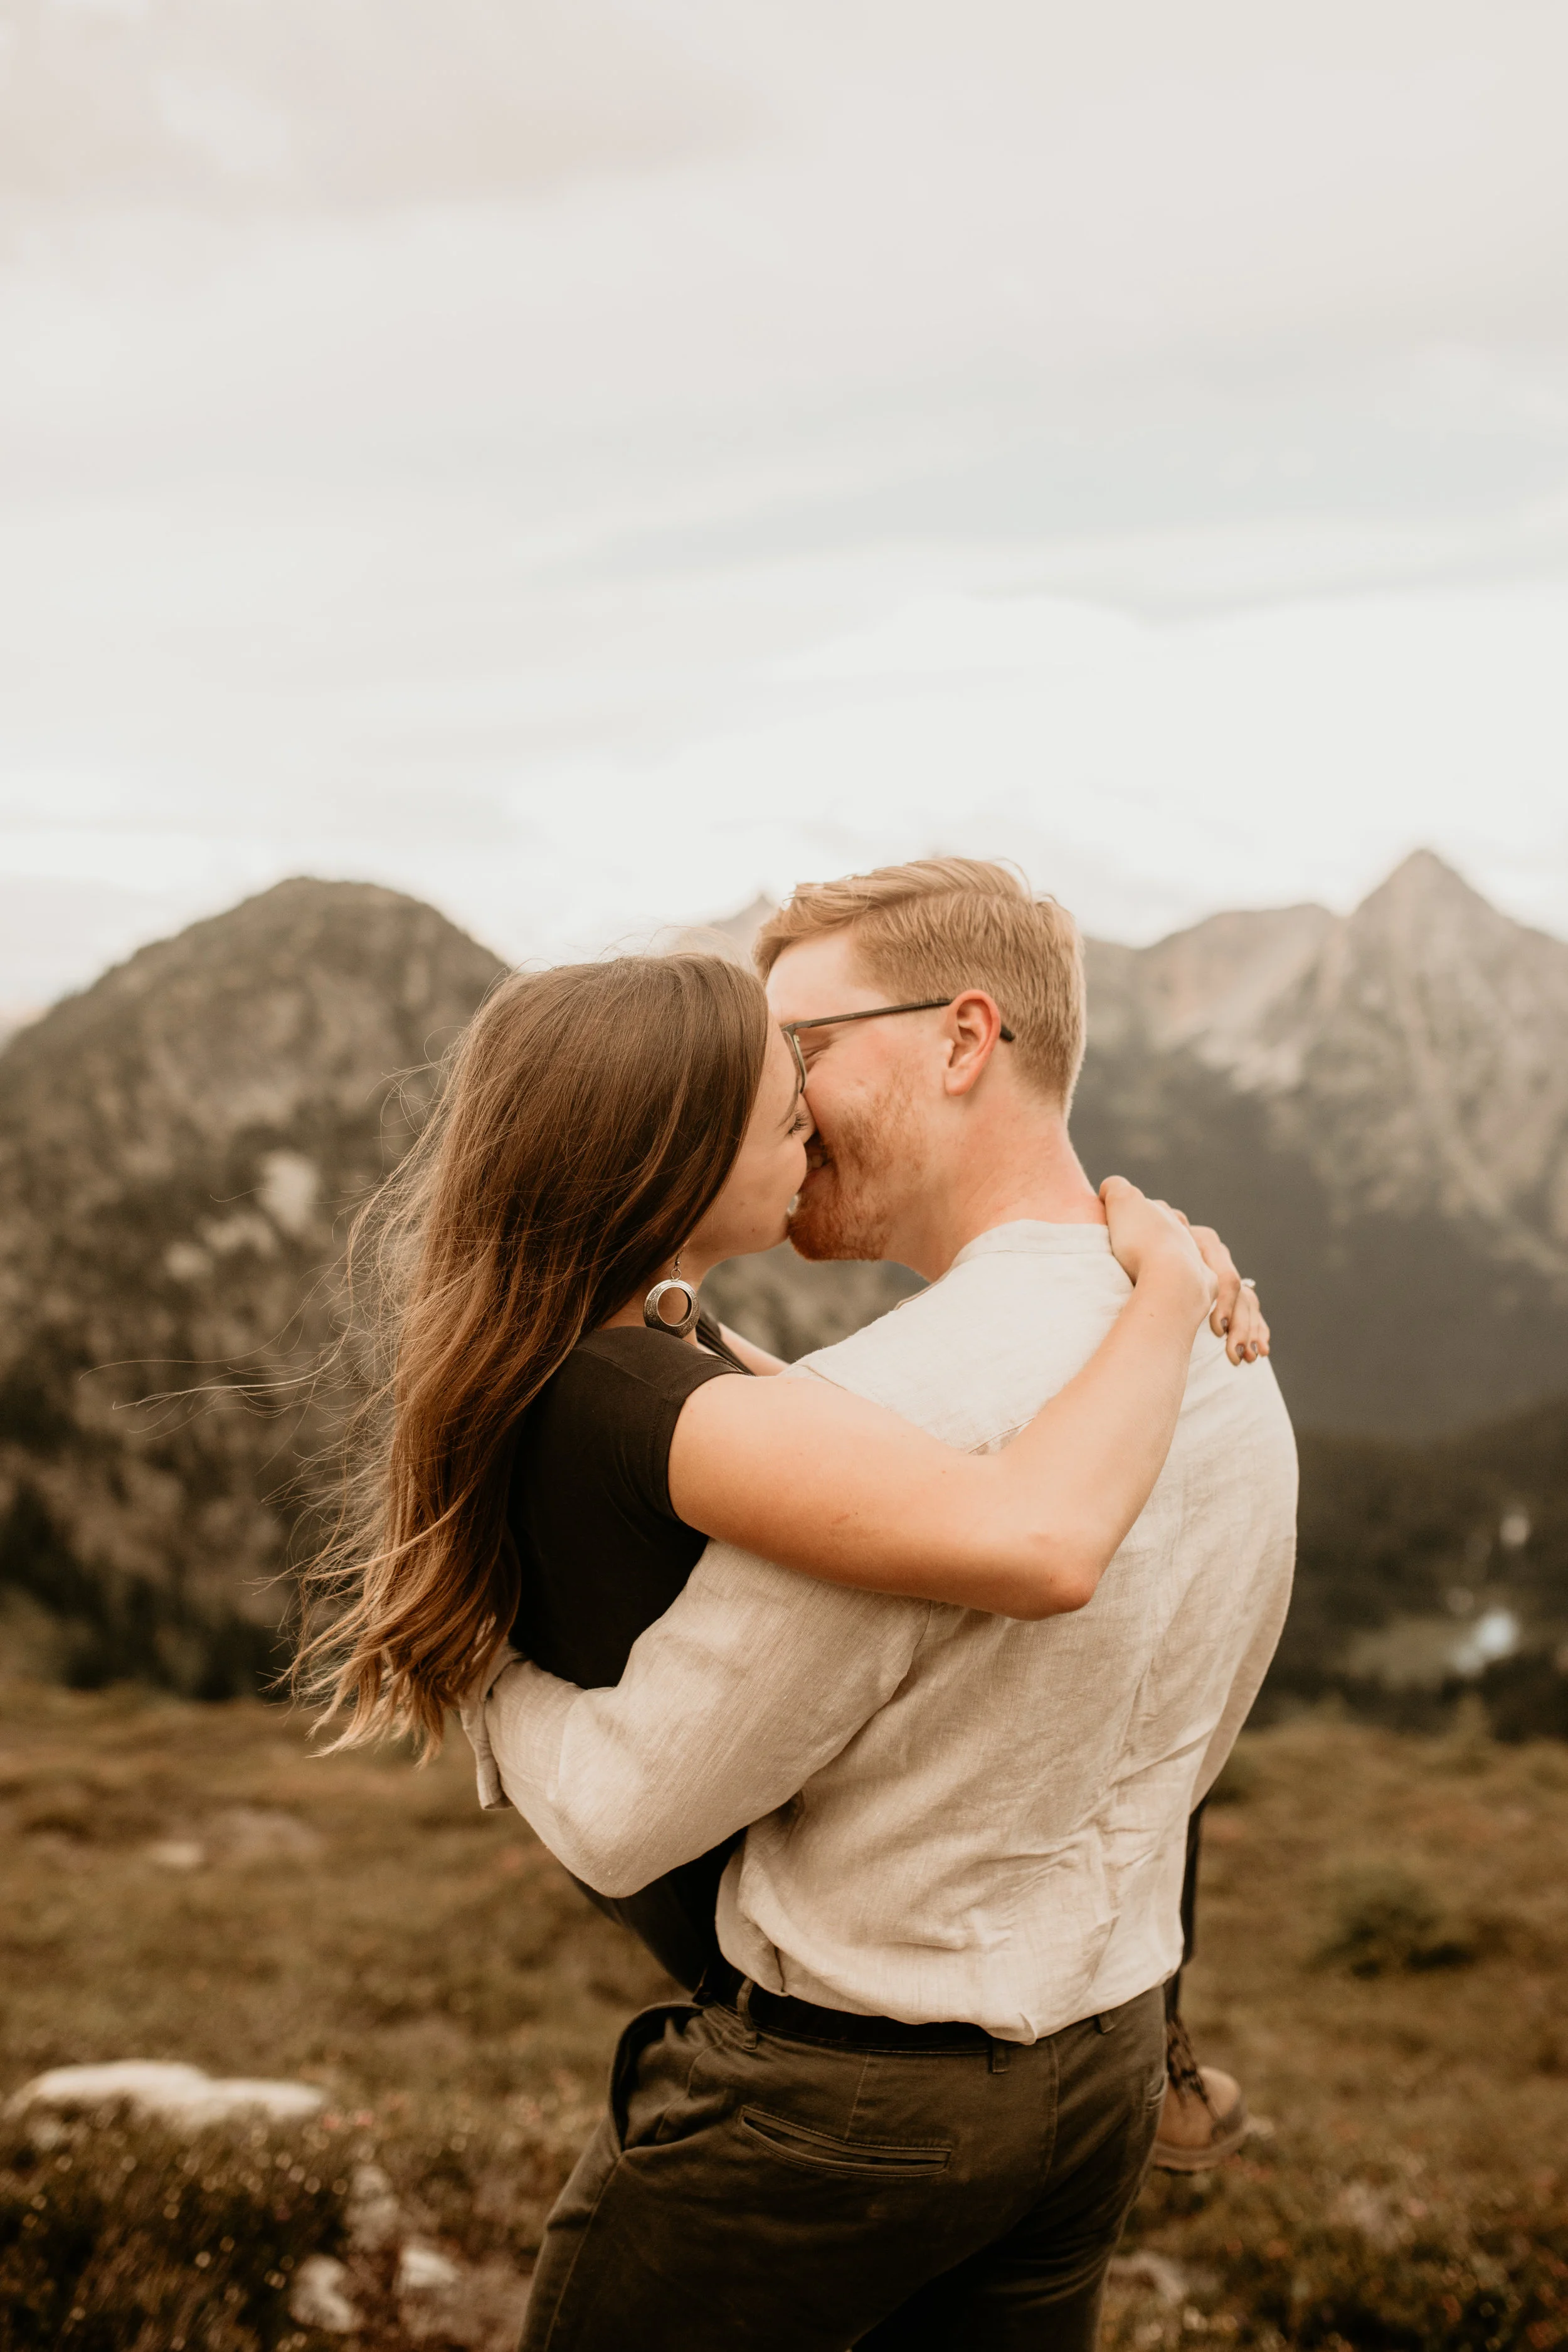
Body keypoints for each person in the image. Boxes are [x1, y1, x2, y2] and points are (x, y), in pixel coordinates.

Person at [464, 859, 1297, 2351]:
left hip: (840, 2111)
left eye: (807, 1051)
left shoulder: (889, 1400)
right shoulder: (1228, 1358)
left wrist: (473, 1662)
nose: (779, 1102)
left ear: (962, 1039)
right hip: (1106, 2067)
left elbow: (624, 1813)